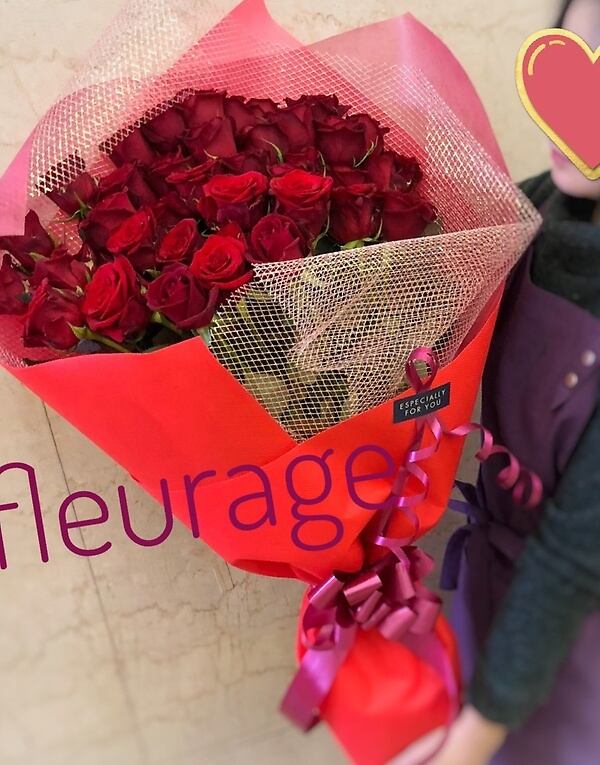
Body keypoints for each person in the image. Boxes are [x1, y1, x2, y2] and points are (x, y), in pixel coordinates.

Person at [416, 1, 600, 763]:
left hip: (575, 632)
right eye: (567, 65)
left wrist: (471, 738)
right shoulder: (531, 212)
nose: (570, 108)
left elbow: (575, 556)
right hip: (493, 590)